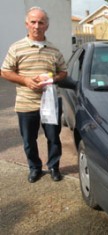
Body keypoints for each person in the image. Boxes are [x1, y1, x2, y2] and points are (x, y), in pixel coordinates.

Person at [1, 6, 67, 183]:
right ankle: (35, 168)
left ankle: (54, 167)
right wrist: (26, 81)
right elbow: (5, 71)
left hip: (51, 102)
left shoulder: (54, 49)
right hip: (26, 103)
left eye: (41, 22)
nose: (37, 26)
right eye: (33, 22)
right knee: (29, 140)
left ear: (47, 26)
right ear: (26, 24)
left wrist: (52, 78)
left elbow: (64, 72)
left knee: (53, 138)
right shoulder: (16, 48)